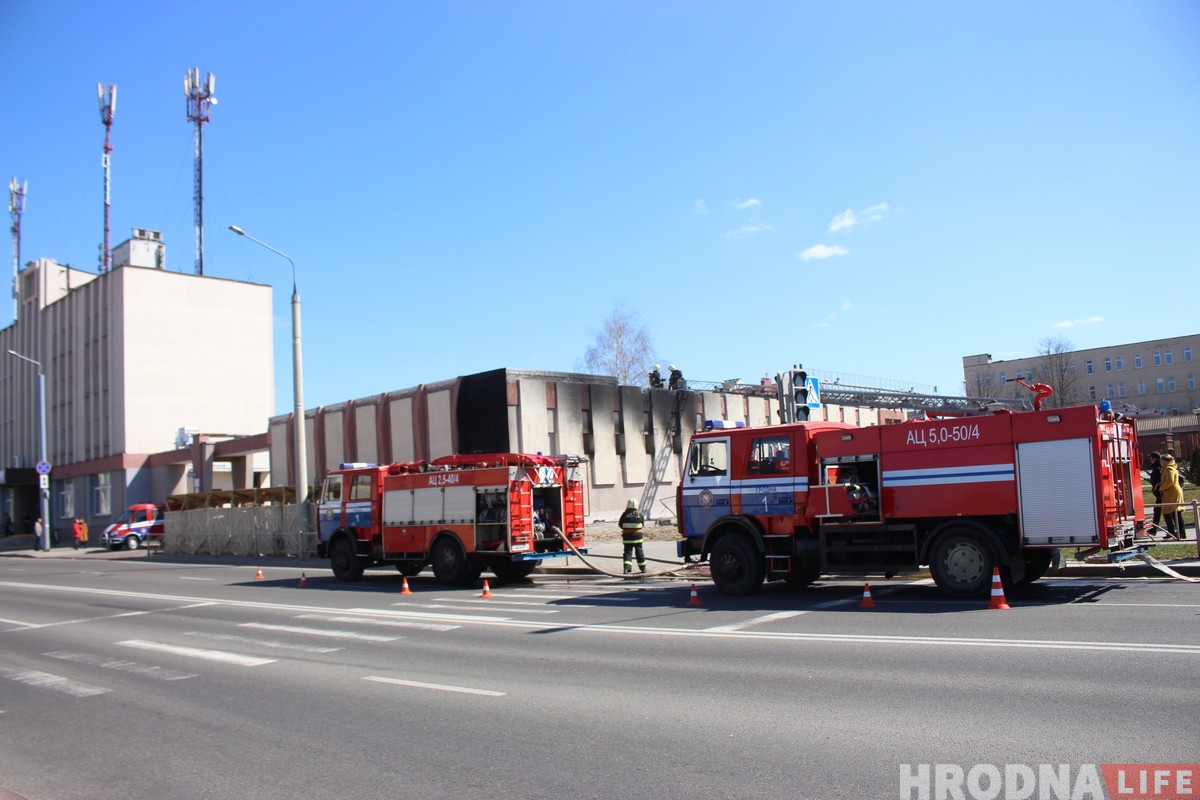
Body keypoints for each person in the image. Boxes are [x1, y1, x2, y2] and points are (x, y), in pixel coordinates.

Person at [1159, 453, 1186, 539]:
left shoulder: (1168, 468)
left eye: (1161, 460)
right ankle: (1181, 532)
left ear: (1165, 461)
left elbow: (1170, 481)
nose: (1160, 462)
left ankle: (1172, 531)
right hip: (1172, 491)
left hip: (1172, 492)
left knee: (1168, 512)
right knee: (1175, 512)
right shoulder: (1169, 468)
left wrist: (1162, 488)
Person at [618, 498, 647, 574]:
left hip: (627, 537)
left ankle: (626, 569)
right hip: (638, 537)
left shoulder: (624, 514)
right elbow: (642, 525)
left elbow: (620, 524)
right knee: (639, 552)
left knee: (628, 552)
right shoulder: (639, 514)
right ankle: (643, 568)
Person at [1147, 451, 1163, 527]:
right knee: (1158, 510)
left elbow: (1160, 479)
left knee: (1159, 511)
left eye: (1151, 458)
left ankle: (1154, 528)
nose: (1150, 459)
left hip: (1161, 492)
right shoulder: (1156, 467)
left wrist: (1156, 486)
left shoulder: (1158, 467)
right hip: (1159, 492)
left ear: (1155, 458)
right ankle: (1154, 528)